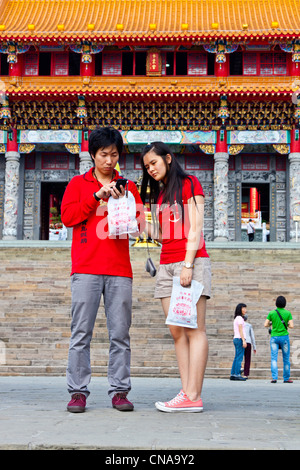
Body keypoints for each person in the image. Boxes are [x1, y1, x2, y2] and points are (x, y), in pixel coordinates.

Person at [61, 127, 145, 413]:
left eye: (114, 154)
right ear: (92, 155)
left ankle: (120, 390)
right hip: (85, 268)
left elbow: (140, 222)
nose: (109, 161)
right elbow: (68, 217)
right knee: (80, 333)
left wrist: (127, 207)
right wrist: (97, 196)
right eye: (103, 155)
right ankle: (77, 392)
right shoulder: (77, 184)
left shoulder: (128, 186)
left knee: (120, 333)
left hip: (120, 269)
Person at [140, 141, 211, 412]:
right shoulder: (159, 196)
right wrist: (136, 223)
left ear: (168, 159)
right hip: (166, 264)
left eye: (154, 163)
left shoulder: (190, 183)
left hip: (189, 261)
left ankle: (194, 395)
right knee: (177, 331)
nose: (151, 169)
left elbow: (196, 226)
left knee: (195, 329)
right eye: (147, 166)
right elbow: (161, 234)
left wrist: (189, 264)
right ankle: (186, 393)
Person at [264, 296, 294, 383]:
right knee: (286, 358)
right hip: (284, 337)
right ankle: (286, 378)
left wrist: (272, 323)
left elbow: (265, 324)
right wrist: (285, 324)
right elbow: (291, 326)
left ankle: (274, 377)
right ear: (285, 303)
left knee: (274, 358)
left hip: (274, 337)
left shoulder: (272, 313)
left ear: (276, 303)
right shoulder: (288, 313)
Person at [230, 303, 247, 381]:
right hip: (239, 338)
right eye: (244, 308)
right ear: (240, 309)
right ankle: (237, 374)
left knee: (236, 357)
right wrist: (244, 340)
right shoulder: (240, 318)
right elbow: (241, 330)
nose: (245, 310)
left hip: (236, 338)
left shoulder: (237, 318)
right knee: (239, 357)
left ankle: (233, 373)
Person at [243, 314, 257, 378]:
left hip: (240, 341)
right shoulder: (249, 325)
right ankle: (246, 374)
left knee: (239, 358)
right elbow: (252, 336)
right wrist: (254, 347)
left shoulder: (238, 324)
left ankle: (237, 371)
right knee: (247, 359)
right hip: (248, 342)